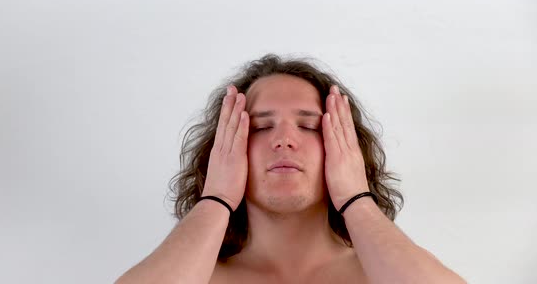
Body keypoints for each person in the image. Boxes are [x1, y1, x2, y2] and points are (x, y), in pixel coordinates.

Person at [116, 54, 466, 283]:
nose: (284, 140)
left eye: (310, 126)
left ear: (345, 148)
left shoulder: (381, 272)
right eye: (260, 127)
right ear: (223, 148)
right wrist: (217, 197)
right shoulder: (199, 275)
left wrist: (357, 198)